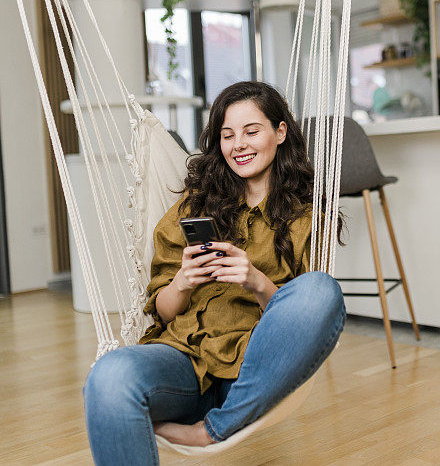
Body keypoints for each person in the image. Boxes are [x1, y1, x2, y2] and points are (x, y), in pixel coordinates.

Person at [83, 81, 346, 465]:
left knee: (322, 290)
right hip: (183, 364)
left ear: (280, 131)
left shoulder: (306, 220)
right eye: (227, 135)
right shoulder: (194, 206)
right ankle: (209, 423)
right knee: (108, 377)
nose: (239, 144)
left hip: (252, 373)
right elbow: (164, 310)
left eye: (251, 131)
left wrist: (255, 280)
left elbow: (304, 320)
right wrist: (182, 282)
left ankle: (213, 429)